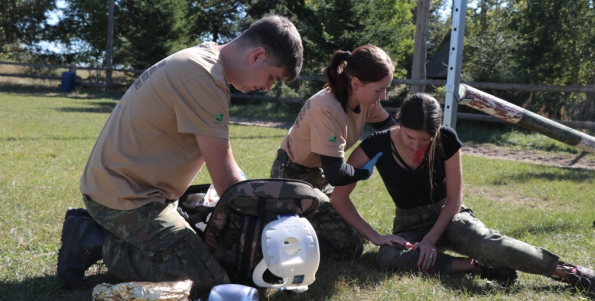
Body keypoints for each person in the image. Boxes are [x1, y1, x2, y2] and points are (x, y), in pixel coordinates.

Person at [56, 15, 304, 298]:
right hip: (125, 199)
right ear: (257, 55)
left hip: (140, 192)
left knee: (211, 259)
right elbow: (227, 182)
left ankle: (122, 240)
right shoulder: (204, 76)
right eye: (272, 77)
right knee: (211, 282)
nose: (268, 87)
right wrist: (271, 218)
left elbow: (225, 164)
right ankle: (97, 240)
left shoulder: (205, 65)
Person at [329, 93, 595, 292]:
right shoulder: (375, 144)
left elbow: (455, 199)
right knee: (387, 256)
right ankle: (477, 267)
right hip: (409, 222)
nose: (416, 145)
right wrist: (375, 237)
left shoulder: (446, 138)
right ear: (398, 121)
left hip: (449, 214)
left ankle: (568, 273)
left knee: (488, 244)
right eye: (410, 137)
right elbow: (339, 197)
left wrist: (431, 240)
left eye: (425, 140)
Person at [269, 44, 397, 259]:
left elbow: (392, 131)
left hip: (319, 171)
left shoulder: (367, 100)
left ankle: (304, 220)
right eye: (379, 90)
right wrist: (364, 172)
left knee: (358, 235)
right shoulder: (326, 108)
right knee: (350, 246)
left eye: (386, 89)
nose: (383, 96)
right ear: (356, 83)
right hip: (292, 176)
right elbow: (336, 174)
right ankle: (283, 227)